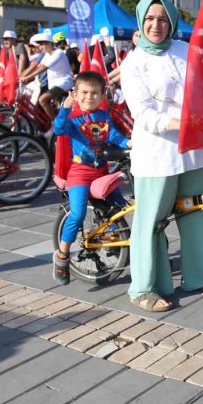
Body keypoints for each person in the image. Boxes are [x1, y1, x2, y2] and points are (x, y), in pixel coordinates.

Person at [120, 0, 203, 312]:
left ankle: (198, 273)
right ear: (140, 21)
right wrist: (180, 121)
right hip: (157, 154)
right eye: (149, 19)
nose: (156, 25)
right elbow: (144, 114)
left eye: (162, 19)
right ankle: (145, 287)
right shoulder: (134, 63)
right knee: (152, 221)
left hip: (193, 152)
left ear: (172, 21)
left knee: (196, 211)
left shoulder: (185, 50)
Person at [52, 71, 132, 284]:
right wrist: (65, 107)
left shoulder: (104, 116)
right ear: (75, 94)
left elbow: (113, 136)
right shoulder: (72, 117)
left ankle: (117, 244)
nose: (90, 97)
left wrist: (128, 143)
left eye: (95, 93)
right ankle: (62, 255)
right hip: (79, 174)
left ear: (103, 94)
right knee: (77, 214)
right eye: (84, 92)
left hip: (101, 172)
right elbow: (59, 129)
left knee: (120, 208)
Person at [20, 32, 73, 120]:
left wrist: (27, 77)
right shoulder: (47, 54)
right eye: (39, 45)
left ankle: (55, 123)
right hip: (53, 85)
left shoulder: (58, 53)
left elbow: (44, 68)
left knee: (42, 99)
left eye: (42, 44)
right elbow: (39, 66)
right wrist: (24, 76)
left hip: (64, 83)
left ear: (49, 43)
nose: (40, 47)